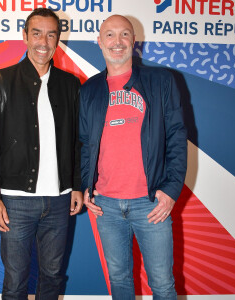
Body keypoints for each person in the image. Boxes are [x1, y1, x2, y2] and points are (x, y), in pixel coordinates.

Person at [0, 8, 83, 300]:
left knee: (52, 276)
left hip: (60, 201)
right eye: (37, 33)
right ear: (24, 36)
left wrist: (76, 186)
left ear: (58, 40)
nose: (43, 42)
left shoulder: (71, 85)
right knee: (15, 280)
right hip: (14, 201)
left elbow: (77, 142)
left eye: (51, 35)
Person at [79, 15, 187, 300]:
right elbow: (83, 143)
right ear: (99, 42)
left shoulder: (160, 80)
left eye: (124, 34)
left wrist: (171, 189)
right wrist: (86, 184)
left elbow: (177, 136)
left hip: (150, 203)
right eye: (110, 35)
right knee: (119, 280)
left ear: (134, 41)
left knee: (162, 284)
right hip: (107, 206)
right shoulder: (88, 90)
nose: (117, 42)